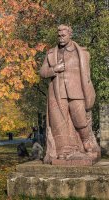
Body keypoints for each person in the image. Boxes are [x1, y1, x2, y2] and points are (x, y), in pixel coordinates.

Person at [40, 24, 100, 163]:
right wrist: (54, 69)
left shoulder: (82, 53)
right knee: (59, 122)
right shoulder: (50, 53)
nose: (61, 38)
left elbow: (87, 76)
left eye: (63, 35)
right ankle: (63, 151)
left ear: (70, 35)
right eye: (59, 35)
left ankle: (86, 143)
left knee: (80, 119)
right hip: (58, 92)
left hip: (77, 91)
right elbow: (42, 72)